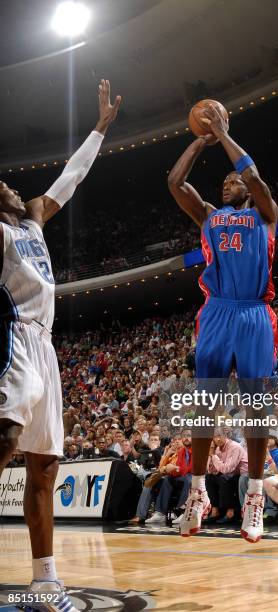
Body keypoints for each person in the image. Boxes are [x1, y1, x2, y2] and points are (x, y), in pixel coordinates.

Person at [0, 79, 120, 609]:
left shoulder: (34, 218)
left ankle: (46, 578)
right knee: (4, 436)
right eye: (0, 185)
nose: (9, 185)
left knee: (43, 465)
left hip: (47, 348)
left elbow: (70, 179)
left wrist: (98, 129)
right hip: (12, 339)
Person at [168, 103, 278, 543]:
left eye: (234, 180)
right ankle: (197, 493)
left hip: (253, 312)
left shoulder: (265, 215)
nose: (228, 182)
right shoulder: (210, 217)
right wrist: (201, 139)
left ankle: (254, 497)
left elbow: (252, 177)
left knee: (255, 407)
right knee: (204, 405)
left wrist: (225, 134)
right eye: (224, 181)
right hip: (216, 311)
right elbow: (175, 182)